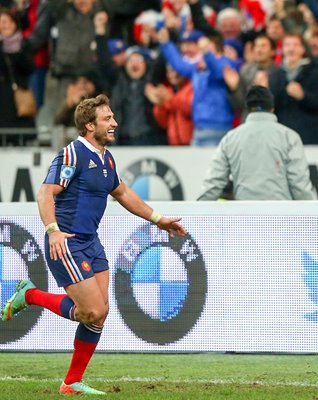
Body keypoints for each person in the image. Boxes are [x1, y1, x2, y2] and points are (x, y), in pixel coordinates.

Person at [1, 95, 186, 395]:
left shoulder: (106, 158)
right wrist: (53, 231)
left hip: (91, 242)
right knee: (92, 310)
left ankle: (71, 382)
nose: (114, 123)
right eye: (107, 119)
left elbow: (124, 193)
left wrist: (158, 219)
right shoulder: (72, 155)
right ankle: (31, 295)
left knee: (99, 314)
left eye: (113, 117)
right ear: (89, 126)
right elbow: (45, 193)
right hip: (68, 242)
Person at [197, 86, 314, 201]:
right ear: (272, 108)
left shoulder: (230, 139)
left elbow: (213, 183)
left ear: (247, 108)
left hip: (246, 215)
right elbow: (299, 185)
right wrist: (313, 214)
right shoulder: (289, 137)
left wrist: (195, 212)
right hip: (280, 215)